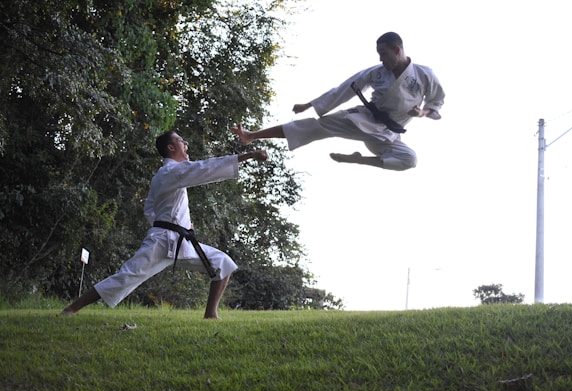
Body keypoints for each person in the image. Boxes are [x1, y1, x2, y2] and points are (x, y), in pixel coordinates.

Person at [62, 130, 268, 319]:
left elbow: (151, 209)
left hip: (181, 242)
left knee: (222, 263)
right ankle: (71, 309)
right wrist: (249, 155)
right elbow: (206, 168)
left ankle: (211, 314)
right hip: (160, 243)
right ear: (171, 148)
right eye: (181, 141)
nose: (186, 143)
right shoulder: (171, 172)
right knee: (126, 277)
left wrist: (180, 224)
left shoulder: (167, 175)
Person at [231, 32, 444, 171]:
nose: (381, 59)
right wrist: (310, 104)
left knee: (409, 159)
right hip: (363, 119)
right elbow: (344, 88)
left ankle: (358, 159)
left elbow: (436, 104)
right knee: (312, 127)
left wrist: (422, 112)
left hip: (387, 134)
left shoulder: (424, 75)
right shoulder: (376, 73)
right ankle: (252, 135)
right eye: (379, 54)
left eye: (384, 53)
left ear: (397, 50)